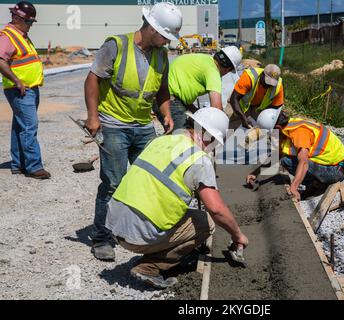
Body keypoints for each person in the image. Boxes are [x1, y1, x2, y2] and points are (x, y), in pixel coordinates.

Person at [106, 108, 248, 289]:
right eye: (213, 142)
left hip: (115, 223)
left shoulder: (161, 140)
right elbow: (216, 209)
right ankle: (149, 267)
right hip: (137, 235)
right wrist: (238, 235)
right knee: (207, 223)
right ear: (207, 136)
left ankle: (162, 246)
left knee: (188, 209)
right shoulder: (199, 159)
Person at [84, 3, 182, 261]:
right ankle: (102, 237)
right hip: (113, 124)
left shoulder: (161, 55)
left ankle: (137, 231)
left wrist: (166, 114)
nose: (166, 42)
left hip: (142, 126)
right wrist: (93, 117)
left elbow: (161, 90)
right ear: (151, 28)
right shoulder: (116, 45)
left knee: (148, 179)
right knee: (113, 183)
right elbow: (92, 78)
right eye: (164, 36)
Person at [248, 109, 344, 201]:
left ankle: (318, 184)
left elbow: (304, 162)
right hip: (328, 165)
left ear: (278, 128)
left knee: (287, 161)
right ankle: (315, 183)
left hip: (337, 170)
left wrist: (293, 188)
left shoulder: (299, 132)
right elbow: (276, 157)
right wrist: (256, 173)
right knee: (285, 159)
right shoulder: (288, 128)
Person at [0, 1, 50, 179]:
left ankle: (18, 164)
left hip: (29, 89)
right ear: (16, 17)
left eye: (31, 22)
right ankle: (34, 167)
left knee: (20, 126)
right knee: (29, 126)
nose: (30, 25)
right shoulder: (8, 35)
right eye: (28, 22)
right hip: (20, 89)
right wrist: (18, 81)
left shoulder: (21, 35)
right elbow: (0, 60)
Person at [156, 46, 242, 130]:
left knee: (178, 132)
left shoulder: (204, 59)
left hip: (163, 96)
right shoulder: (213, 73)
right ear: (228, 69)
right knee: (181, 136)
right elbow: (217, 109)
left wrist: (195, 111)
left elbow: (183, 90)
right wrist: (224, 128)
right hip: (170, 101)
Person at [229, 64, 284, 129]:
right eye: (267, 81)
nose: (268, 85)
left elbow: (277, 109)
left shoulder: (278, 86)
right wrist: (243, 118)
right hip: (241, 107)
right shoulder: (249, 76)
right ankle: (230, 138)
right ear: (263, 74)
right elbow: (233, 98)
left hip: (258, 110)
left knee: (257, 134)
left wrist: (274, 131)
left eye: (272, 83)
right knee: (232, 130)